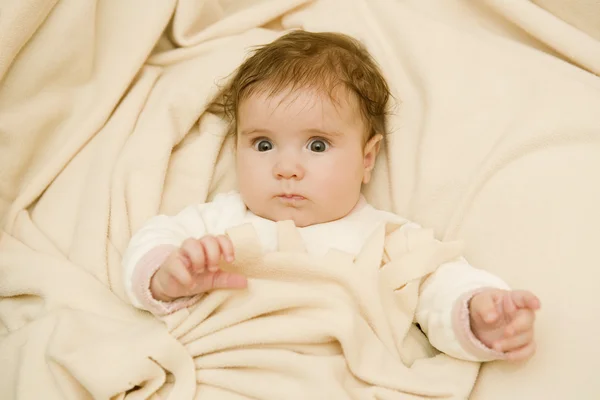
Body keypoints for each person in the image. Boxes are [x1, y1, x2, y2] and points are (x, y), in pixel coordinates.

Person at [122, 30, 540, 362]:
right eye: (263, 145)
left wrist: (478, 314)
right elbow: (153, 239)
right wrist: (167, 276)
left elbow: (440, 284)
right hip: (230, 361)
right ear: (236, 149)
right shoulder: (218, 223)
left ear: (366, 158)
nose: (286, 168)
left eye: (317, 145)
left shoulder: (385, 239)